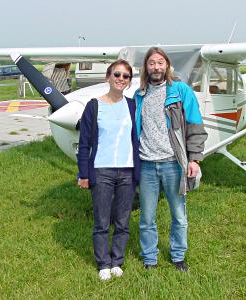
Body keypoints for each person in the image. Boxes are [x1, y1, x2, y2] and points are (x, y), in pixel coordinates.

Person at [133, 47, 208, 272]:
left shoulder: (181, 91)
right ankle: (149, 258)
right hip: (146, 164)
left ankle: (177, 256)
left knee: (179, 215)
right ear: (146, 68)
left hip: (173, 164)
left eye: (160, 62)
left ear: (167, 66)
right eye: (151, 63)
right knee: (147, 217)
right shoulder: (140, 95)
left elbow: (195, 125)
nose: (156, 67)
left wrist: (194, 159)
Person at [77, 59, 140, 281]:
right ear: (108, 77)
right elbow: (84, 143)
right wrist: (83, 174)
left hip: (127, 171)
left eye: (125, 76)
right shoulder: (94, 106)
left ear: (129, 81)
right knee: (102, 220)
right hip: (101, 170)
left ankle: (117, 260)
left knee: (123, 220)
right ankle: (103, 263)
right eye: (117, 75)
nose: (121, 79)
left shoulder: (132, 106)